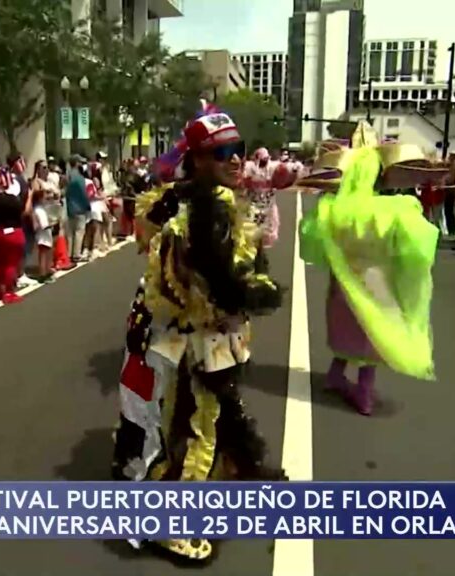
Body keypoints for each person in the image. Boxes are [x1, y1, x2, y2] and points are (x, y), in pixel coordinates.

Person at [111, 105, 286, 562]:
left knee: (209, 419)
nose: (235, 159)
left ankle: (222, 479)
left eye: (238, 149)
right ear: (198, 159)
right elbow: (202, 286)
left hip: (195, 337)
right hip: (192, 342)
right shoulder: (198, 212)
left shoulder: (183, 200)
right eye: (222, 152)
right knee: (194, 429)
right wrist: (252, 294)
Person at [299, 124, 438, 417]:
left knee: (345, 328)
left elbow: (313, 238)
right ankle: (364, 391)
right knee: (371, 331)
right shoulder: (396, 209)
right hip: (376, 281)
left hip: (342, 280)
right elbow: (419, 245)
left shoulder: (332, 208)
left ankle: (336, 375)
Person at [0, 164, 28, 304]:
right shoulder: (12, 199)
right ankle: (9, 291)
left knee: (0, 262)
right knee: (11, 263)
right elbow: (22, 212)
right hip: (14, 232)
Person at [65, 155, 91, 262]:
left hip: (69, 207)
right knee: (79, 231)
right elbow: (83, 193)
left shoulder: (67, 176)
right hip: (79, 207)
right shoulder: (79, 178)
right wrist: (87, 205)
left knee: (70, 232)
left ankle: (69, 254)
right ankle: (76, 254)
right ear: (76, 163)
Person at [31, 186, 55, 283]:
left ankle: (47, 270)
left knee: (48, 252)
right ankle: (42, 274)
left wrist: (51, 223)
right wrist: (44, 226)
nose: (46, 200)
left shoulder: (43, 209)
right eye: (45, 198)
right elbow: (35, 225)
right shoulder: (36, 210)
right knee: (43, 254)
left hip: (47, 233)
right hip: (42, 235)